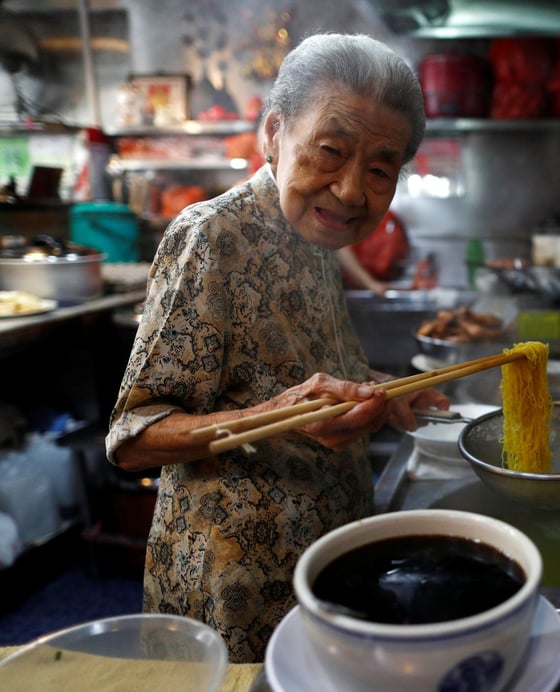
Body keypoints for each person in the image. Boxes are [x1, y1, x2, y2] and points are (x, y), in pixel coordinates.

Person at [105, 33, 449, 663]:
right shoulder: (213, 235)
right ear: (273, 134)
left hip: (318, 564)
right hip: (235, 585)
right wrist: (276, 417)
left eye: (379, 169)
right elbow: (133, 436)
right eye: (330, 151)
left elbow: (289, 365)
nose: (350, 190)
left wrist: (388, 390)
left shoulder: (315, 238)